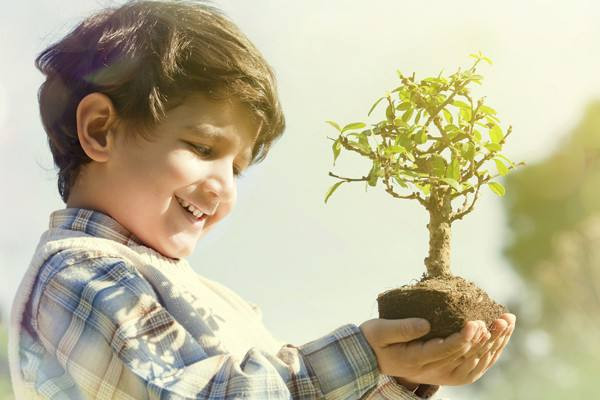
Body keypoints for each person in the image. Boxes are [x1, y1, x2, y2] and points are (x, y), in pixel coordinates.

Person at [8, 1, 515, 399]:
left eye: (237, 169)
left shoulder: (196, 294)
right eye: (203, 148)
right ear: (101, 130)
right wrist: (363, 356)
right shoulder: (79, 275)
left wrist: (401, 378)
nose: (223, 185)